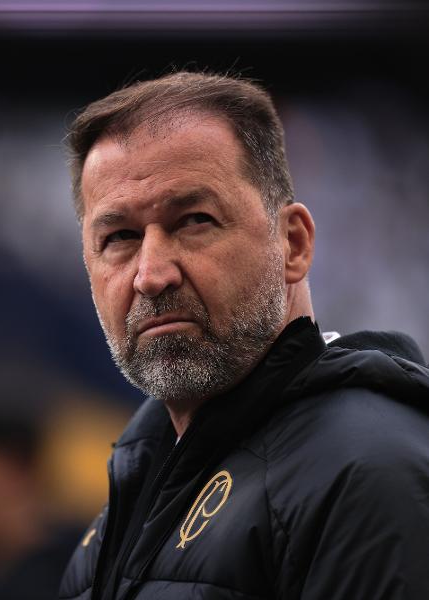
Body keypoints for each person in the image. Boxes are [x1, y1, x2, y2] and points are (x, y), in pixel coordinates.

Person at [59, 71, 429, 600]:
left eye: (193, 220)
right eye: (119, 237)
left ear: (293, 244)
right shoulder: (128, 497)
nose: (151, 273)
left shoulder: (370, 474)